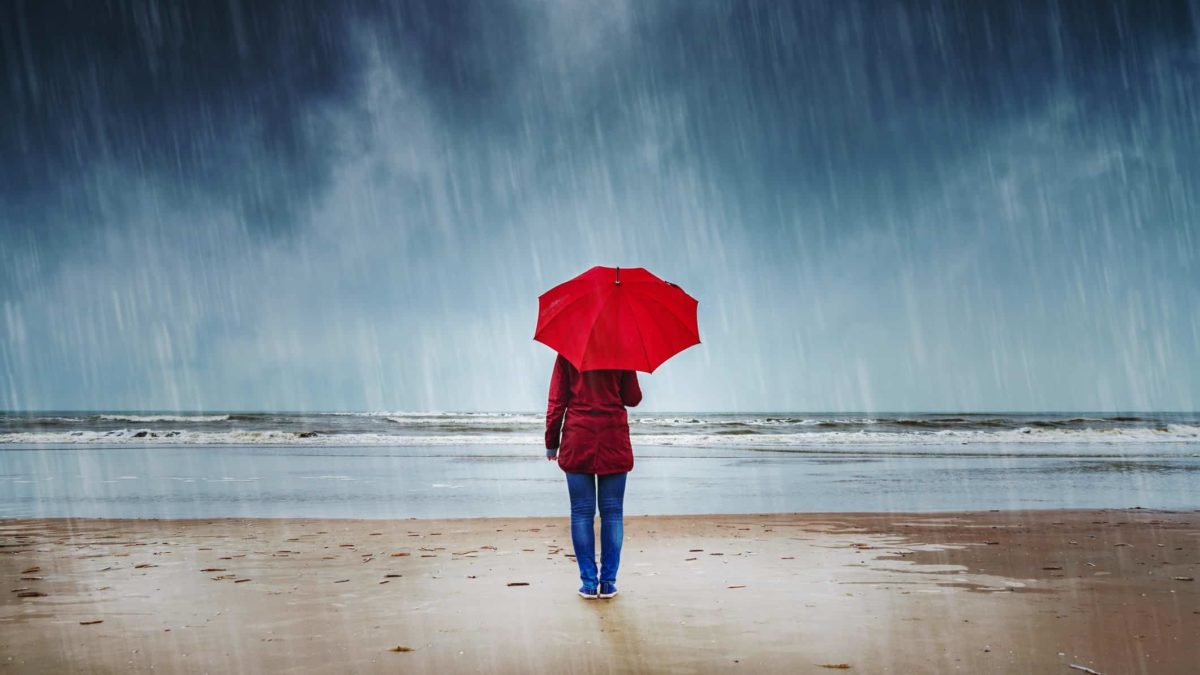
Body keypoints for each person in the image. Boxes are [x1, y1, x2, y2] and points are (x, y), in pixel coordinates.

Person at [544, 352, 642, 600]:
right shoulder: (621, 351)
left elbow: (556, 402)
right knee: (612, 513)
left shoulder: (568, 350)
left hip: (579, 437)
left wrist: (551, 443)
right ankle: (608, 583)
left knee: (581, 512)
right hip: (613, 438)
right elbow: (633, 398)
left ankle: (588, 583)